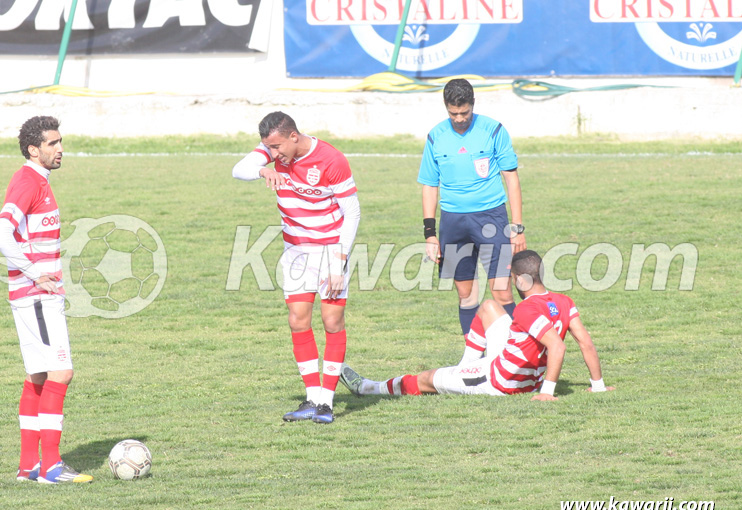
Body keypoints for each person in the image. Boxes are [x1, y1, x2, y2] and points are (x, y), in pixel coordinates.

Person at [340, 250, 613, 401]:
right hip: (519, 368)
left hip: (501, 381)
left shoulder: (526, 308)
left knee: (426, 379)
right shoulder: (563, 301)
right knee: (489, 306)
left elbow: (557, 347)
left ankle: (367, 388)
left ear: (520, 280)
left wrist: (547, 393)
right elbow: (585, 343)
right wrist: (598, 385)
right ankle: (465, 365)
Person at [232, 111, 361, 424]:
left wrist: (339, 261)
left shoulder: (331, 159)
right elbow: (239, 170)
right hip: (296, 253)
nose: (273, 153)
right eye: (268, 148)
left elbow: (352, 212)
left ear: (293, 136)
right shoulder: (272, 152)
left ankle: (327, 403)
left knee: (332, 321)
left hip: (330, 251)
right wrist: (263, 170)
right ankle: (311, 398)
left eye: (277, 147)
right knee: (298, 320)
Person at [0, 116, 92, 484]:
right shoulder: (29, 182)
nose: (60, 149)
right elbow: (0, 234)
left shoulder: (36, 180)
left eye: (60, 141)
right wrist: (35, 273)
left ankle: (28, 466)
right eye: (52, 143)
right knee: (61, 372)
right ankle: (51, 466)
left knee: (37, 375)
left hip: (32, 296)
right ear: (34, 150)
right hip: (37, 296)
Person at [419, 78, 526, 336]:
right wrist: (430, 234)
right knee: (466, 295)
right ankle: (474, 355)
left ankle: (517, 353)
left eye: (464, 113)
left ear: (473, 104)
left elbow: (511, 179)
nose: (459, 118)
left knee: (502, 291)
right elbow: (430, 185)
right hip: (453, 223)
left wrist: (517, 227)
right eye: (453, 113)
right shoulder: (435, 137)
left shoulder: (493, 130)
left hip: (491, 219)